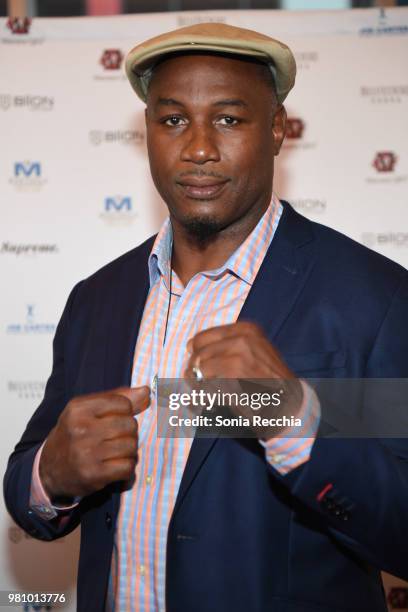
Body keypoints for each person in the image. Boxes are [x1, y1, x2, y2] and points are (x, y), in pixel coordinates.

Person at [3, 22, 408, 612]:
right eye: (172, 120)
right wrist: (52, 476)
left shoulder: (375, 297)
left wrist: (292, 415)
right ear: (147, 134)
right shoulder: (96, 299)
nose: (197, 147)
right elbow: (28, 492)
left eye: (228, 119)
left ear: (277, 130)